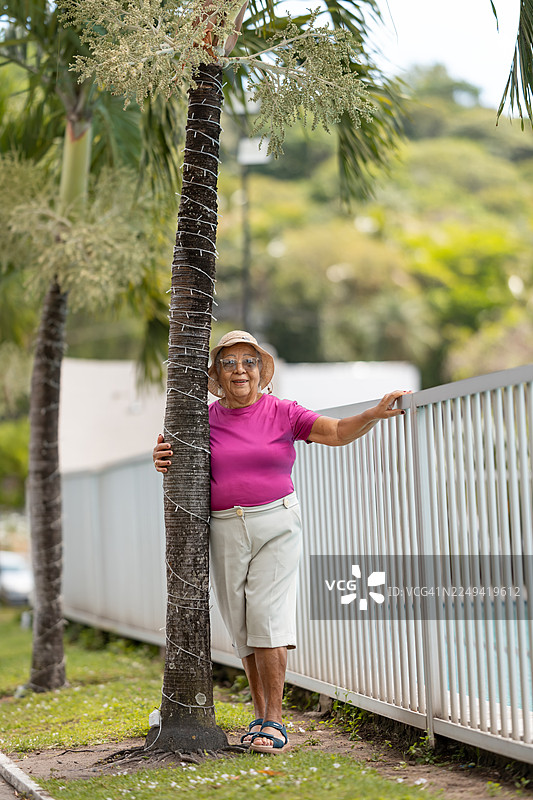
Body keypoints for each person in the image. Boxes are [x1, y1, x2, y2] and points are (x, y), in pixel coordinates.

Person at [153, 330, 408, 754]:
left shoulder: (284, 411)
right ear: (217, 373)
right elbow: (175, 457)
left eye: (249, 362)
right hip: (224, 528)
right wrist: (161, 457)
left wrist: (373, 414)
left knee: (268, 617)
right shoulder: (202, 419)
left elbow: (337, 432)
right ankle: (260, 715)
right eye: (229, 362)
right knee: (242, 625)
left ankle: (274, 720)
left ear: (260, 371)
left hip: (276, 522)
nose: (240, 370)